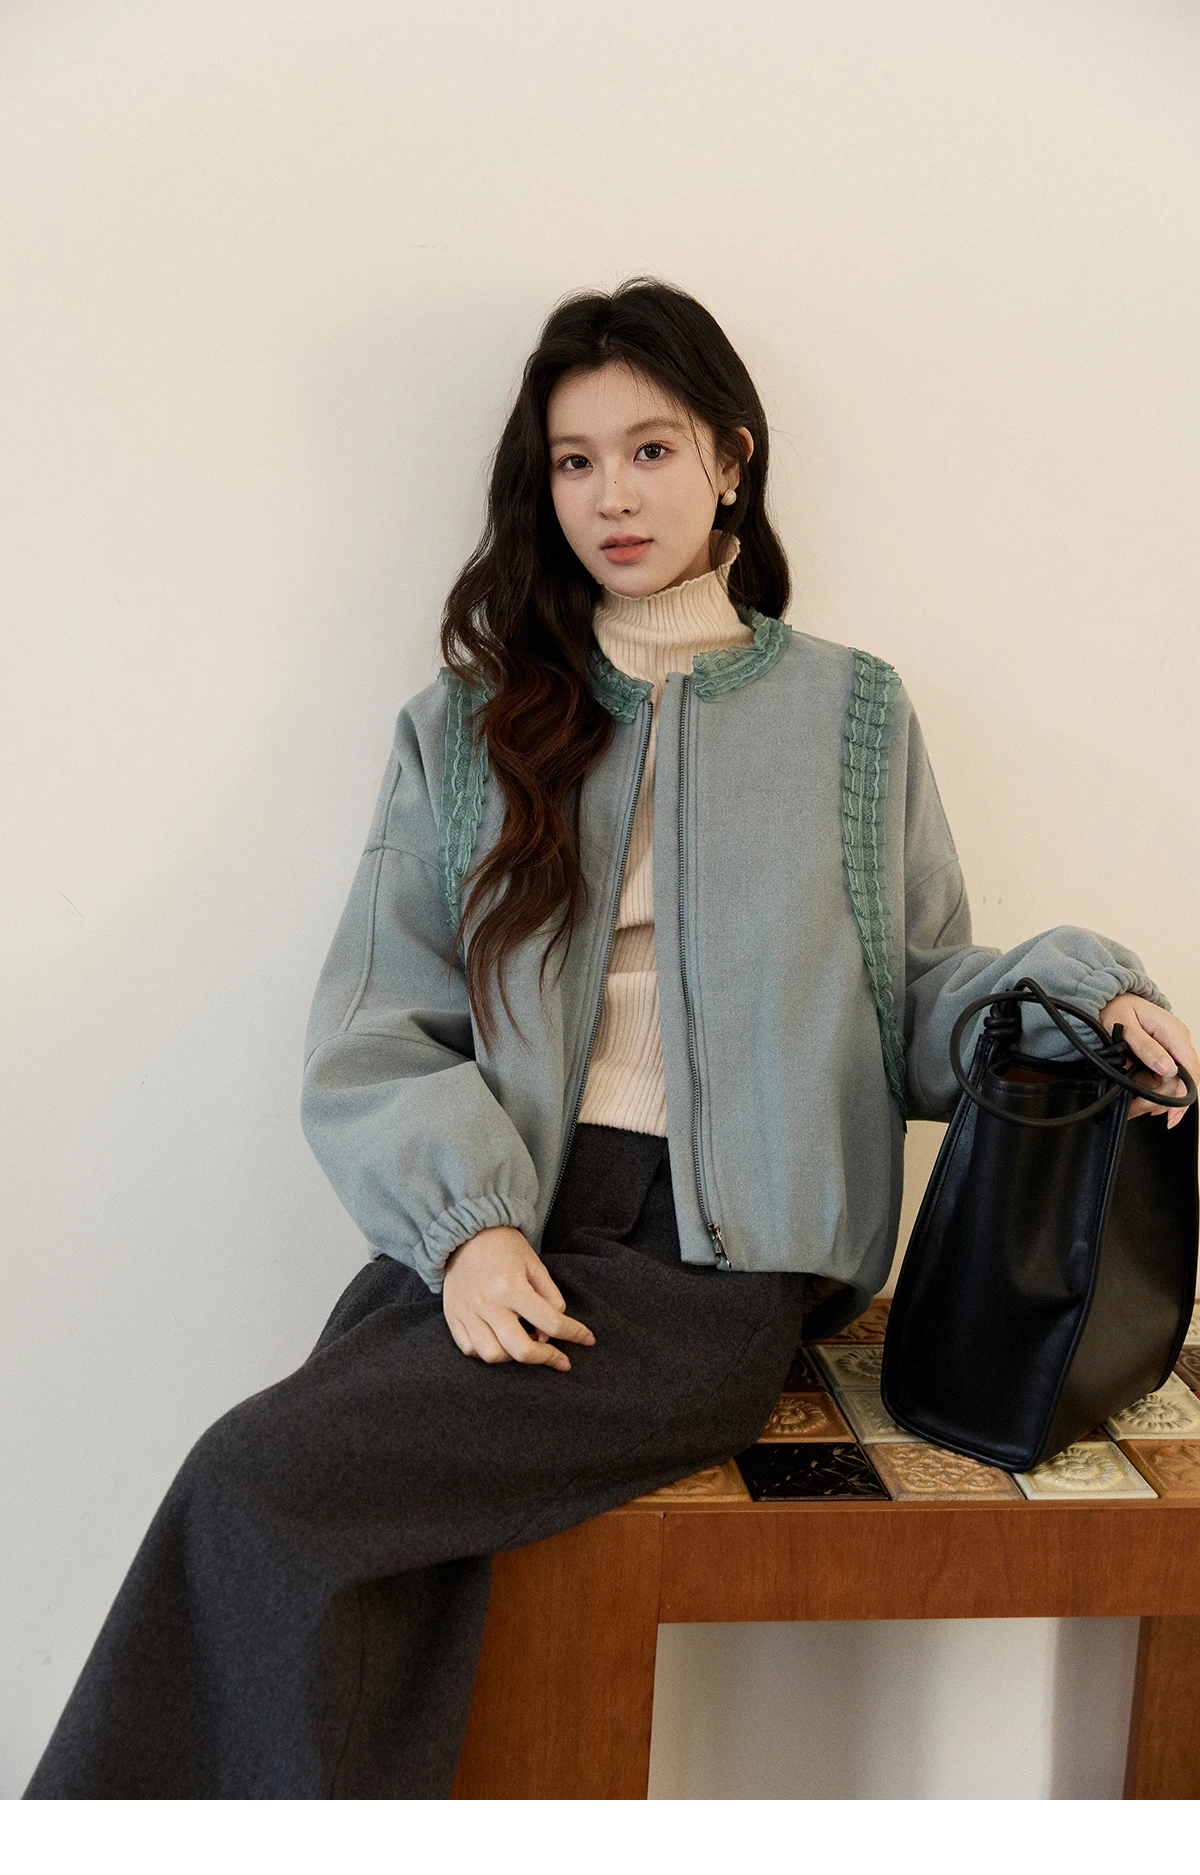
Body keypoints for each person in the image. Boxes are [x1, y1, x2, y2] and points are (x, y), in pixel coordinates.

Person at [25, 278, 1197, 1801]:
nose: (612, 496)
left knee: (258, 1484)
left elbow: (915, 994)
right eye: (575, 462)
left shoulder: (850, 714)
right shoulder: (471, 720)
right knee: (353, 1533)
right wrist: (465, 1230)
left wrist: (1080, 993)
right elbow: (376, 1021)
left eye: (650, 450)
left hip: (710, 1270)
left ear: (731, 457)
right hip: (504, 1214)